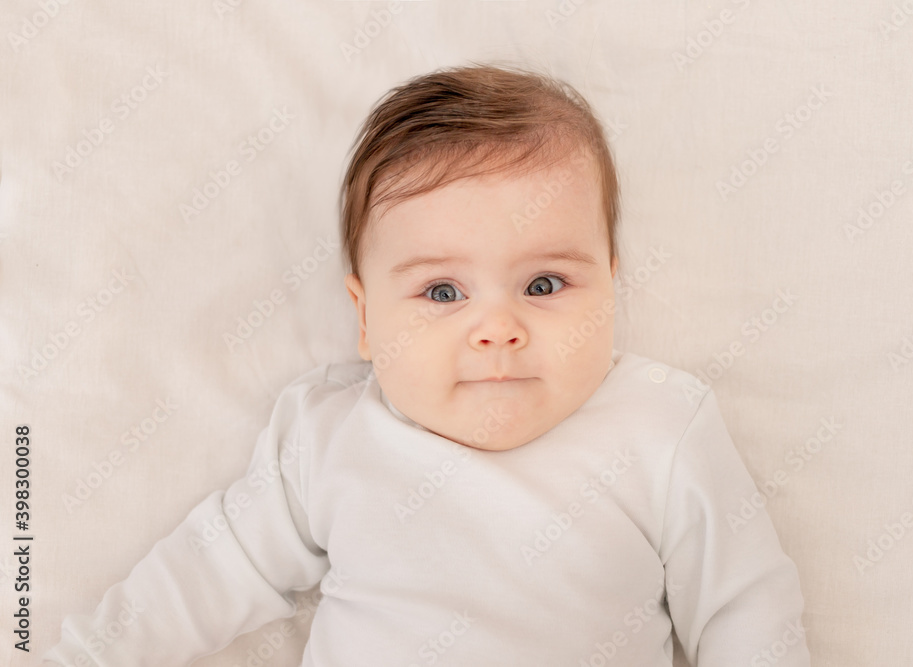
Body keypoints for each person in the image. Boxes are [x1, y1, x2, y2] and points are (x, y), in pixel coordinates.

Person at [45, 63, 810, 666]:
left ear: (612, 281)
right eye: (443, 291)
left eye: (544, 284)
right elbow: (213, 567)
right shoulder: (332, 434)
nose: (497, 329)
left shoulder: (660, 427)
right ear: (367, 317)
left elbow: (746, 606)